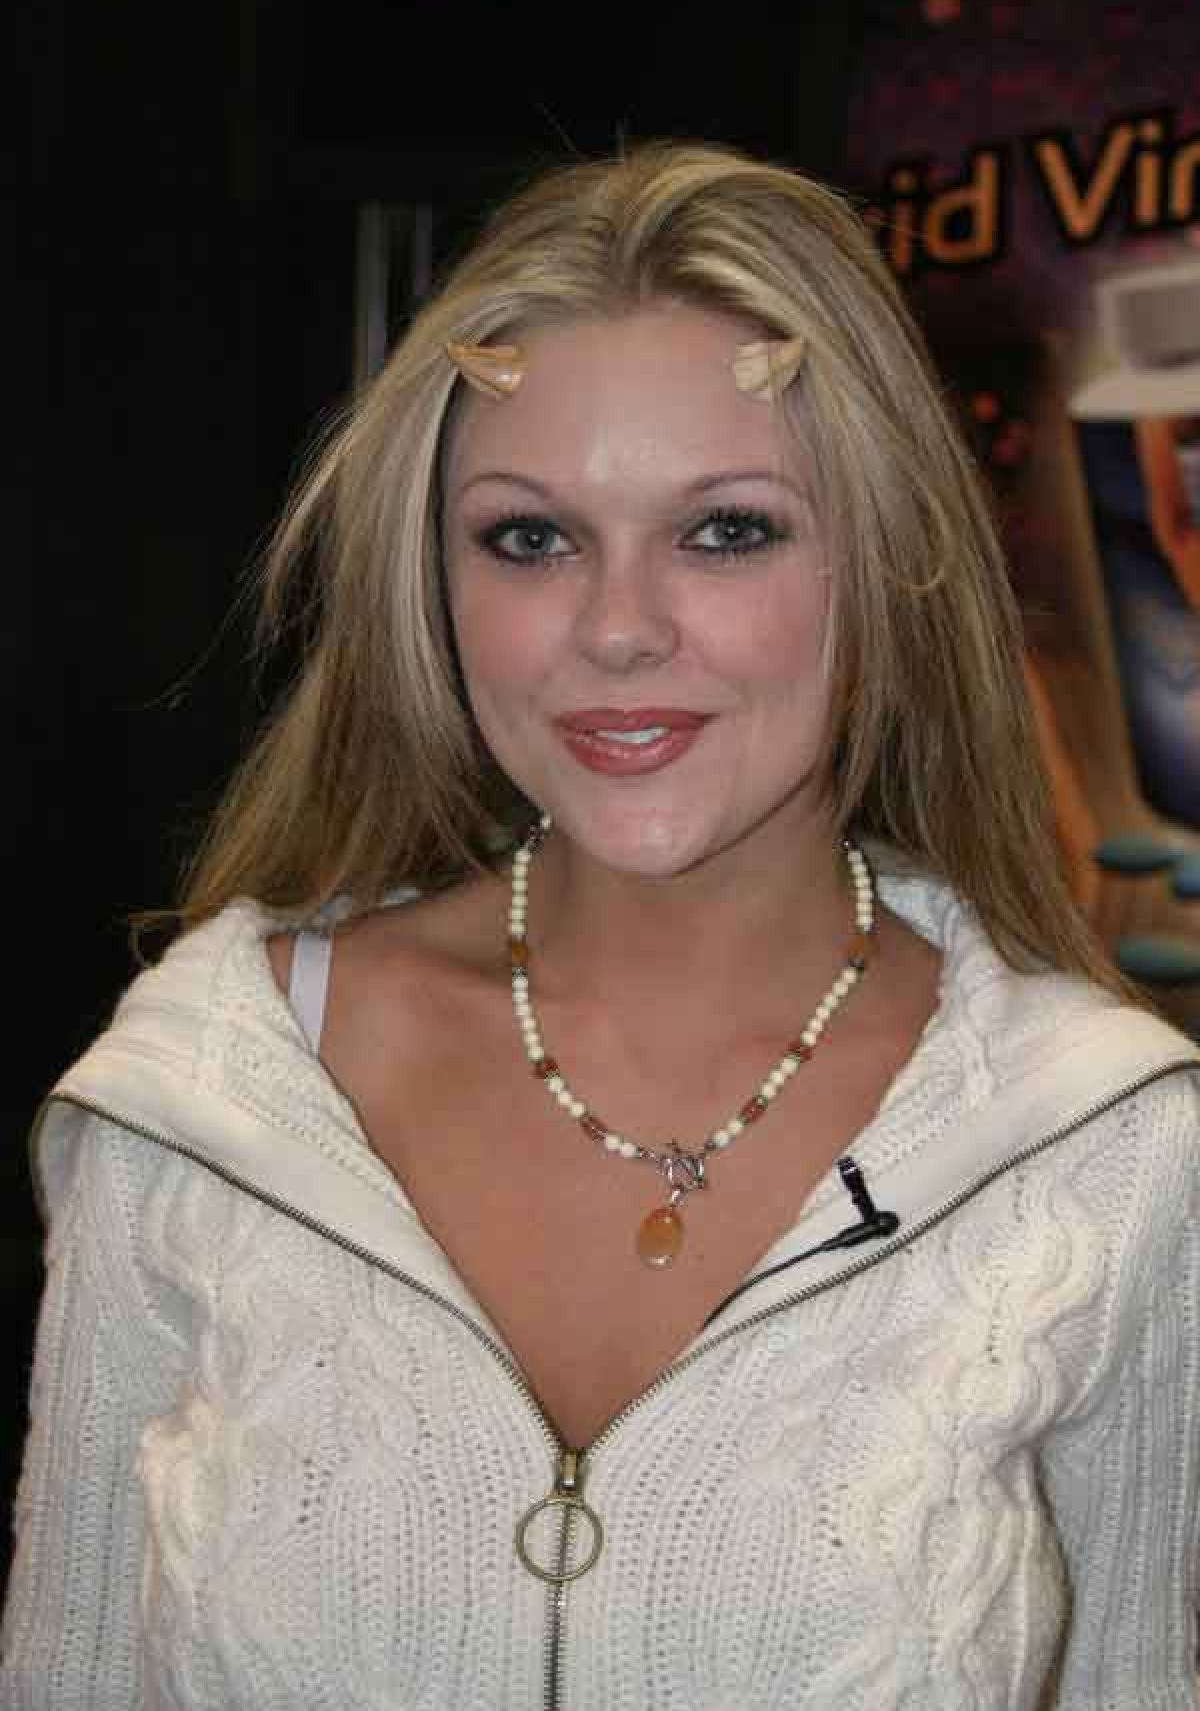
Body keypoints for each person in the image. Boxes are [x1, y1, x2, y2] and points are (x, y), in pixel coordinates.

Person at [4, 140, 1198, 1709]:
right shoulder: (207, 1092)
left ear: (891, 562)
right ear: (434, 585)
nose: (619, 629)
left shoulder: (1107, 1148)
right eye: (531, 537)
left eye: (727, 530)